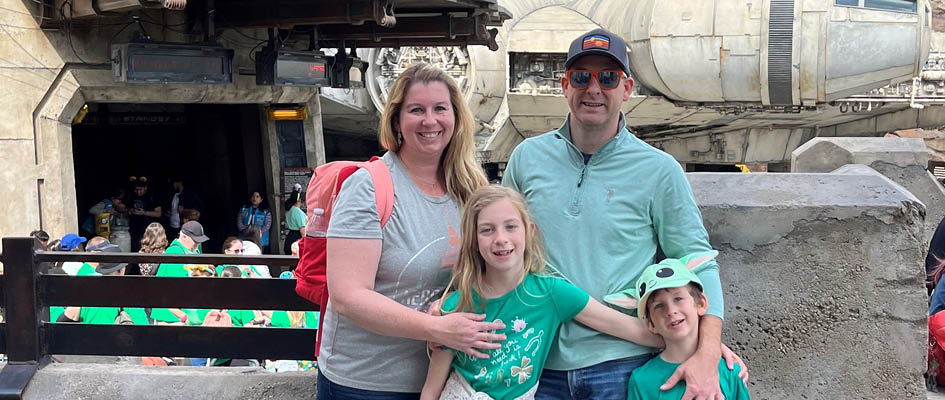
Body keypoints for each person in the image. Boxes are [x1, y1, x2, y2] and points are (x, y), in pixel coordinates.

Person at [501, 28, 745, 399]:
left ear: (627, 88)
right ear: (565, 85)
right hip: (535, 360)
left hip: (623, 364)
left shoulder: (659, 170)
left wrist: (707, 351)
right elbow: (497, 250)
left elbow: (697, 262)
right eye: (581, 78)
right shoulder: (526, 159)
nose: (593, 89)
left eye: (608, 78)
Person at [317, 63, 501, 399]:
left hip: (446, 379)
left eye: (440, 108)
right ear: (396, 120)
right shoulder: (368, 187)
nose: (430, 121)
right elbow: (347, 296)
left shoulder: (470, 189)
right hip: (367, 383)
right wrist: (438, 329)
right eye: (417, 110)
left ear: (456, 118)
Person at [420, 186, 663, 400]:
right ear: (474, 239)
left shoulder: (550, 293)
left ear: (529, 231)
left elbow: (627, 328)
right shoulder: (456, 306)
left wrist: (681, 344)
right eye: (487, 230)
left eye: (511, 227)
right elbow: (431, 390)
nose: (501, 239)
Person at [624, 254, 749, 400]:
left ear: (701, 304)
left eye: (678, 299)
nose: (671, 311)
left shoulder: (731, 371)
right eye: (659, 306)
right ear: (650, 324)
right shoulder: (642, 380)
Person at [56, 245, 150, 325]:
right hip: (116, 340)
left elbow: (63, 320)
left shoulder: (85, 290)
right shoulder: (129, 295)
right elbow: (143, 327)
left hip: (88, 339)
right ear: (121, 270)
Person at [150, 221, 209, 325]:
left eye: (200, 241)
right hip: (170, 318)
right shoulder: (175, 253)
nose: (198, 244)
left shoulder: (194, 251)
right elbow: (171, 290)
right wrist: (184, 317)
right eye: (195, 241)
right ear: (184, 237)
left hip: (186, 314)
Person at [127, 177, 162, 252]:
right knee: (134, 248)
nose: (138, 192)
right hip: (133, 228)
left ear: (145, 188)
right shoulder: (131, 196)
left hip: (147, 229)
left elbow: (158, 213)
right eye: (136, 190)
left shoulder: (152, 197)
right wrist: (129, 210)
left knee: (145, 248)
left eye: (140, 189)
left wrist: (144, 213)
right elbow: (122, 208)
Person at [284, 187, 307, 256]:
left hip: (290, 236)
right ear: (300, 200)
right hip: (297, 238)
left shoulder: (289, 210)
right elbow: (302, 230)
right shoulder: (298, 212)